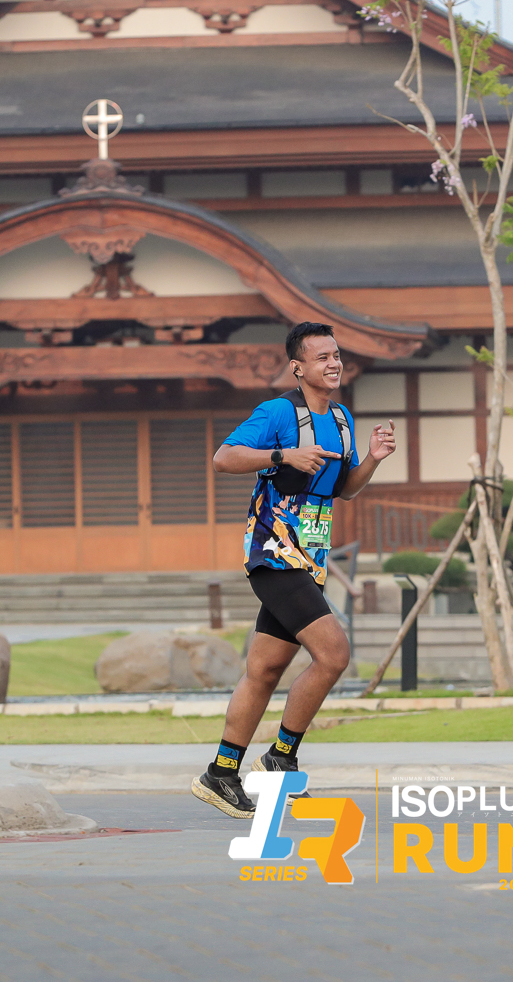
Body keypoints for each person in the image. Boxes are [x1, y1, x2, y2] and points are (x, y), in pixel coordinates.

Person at [191, 321, 396, 818]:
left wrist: (371, 459)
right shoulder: (279, 412)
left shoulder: (342, 419)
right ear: (298, 367)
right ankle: (280, 759)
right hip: (274, 552)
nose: (334, 363)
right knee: (334, 654)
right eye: (322, 357)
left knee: (264, 670)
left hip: (311, 559)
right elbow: (223, 459)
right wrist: (284, 454)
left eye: (336, 355)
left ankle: (221, 773)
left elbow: (343, 489)